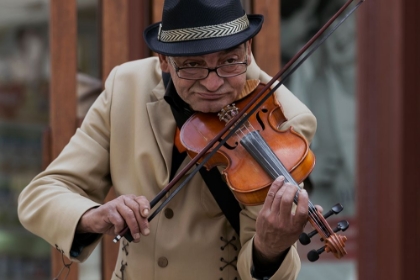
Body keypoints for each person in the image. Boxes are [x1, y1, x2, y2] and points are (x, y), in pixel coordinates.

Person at [18, 0, 317, 279]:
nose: (213, 84)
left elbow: (261, 266)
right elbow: (42, 194)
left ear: (248, 49)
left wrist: (271, 246)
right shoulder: (126, 87)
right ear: (163, 60)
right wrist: (93, 215)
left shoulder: (283, 120)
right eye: (193, 65)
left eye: (229, 61)